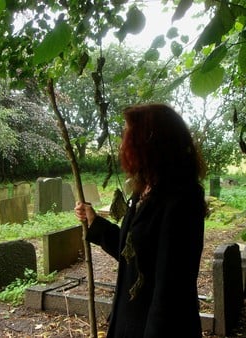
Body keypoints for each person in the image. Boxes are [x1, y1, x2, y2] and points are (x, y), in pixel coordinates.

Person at [75, 103, 207, 337]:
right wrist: (96, 223)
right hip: (131, 321)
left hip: (160, 328)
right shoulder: (144, 190)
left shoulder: (183, 200)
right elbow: (134, 254)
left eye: (129, 135)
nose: (123, 143)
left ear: (151, 143)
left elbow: (171, 288)